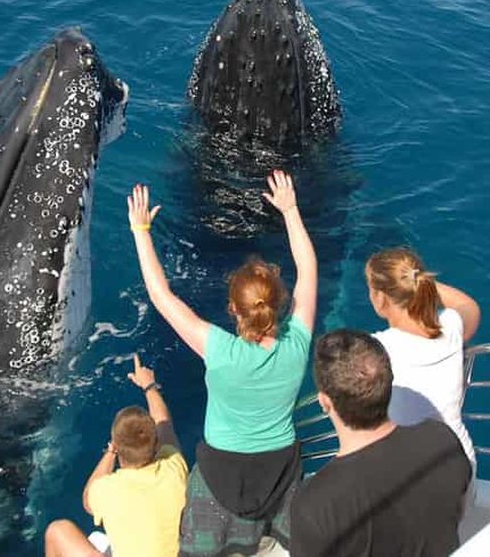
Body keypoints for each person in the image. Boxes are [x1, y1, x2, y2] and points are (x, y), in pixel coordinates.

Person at [127, 170, 316, 555]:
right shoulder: (297, 342)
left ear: (233, 309)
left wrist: (141, 232)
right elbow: (308, 270)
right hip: (281, 470)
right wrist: (290, 210)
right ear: (278, 302)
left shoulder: (220, 350)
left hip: (220, 476)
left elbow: (162, 296)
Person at [291, 329, 471, 556]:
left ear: (325, 402)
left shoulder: (315, 503)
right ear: (388, 385)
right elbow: (458, 513)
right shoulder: (442, 441)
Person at [44, 354, 188, 557]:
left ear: (118, 447)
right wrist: (149, 386)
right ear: (155, 442)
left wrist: (110, 452)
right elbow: (164, 422)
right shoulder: (174, 466)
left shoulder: (107, 490)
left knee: (58, 530)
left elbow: (87, 500)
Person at [365, 247, 479, 473]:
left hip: (412, 473)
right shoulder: (451, 328)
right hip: (461, 462)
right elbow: (468, 306)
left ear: (380, 298)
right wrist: (415, 280)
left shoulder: (375, 349)